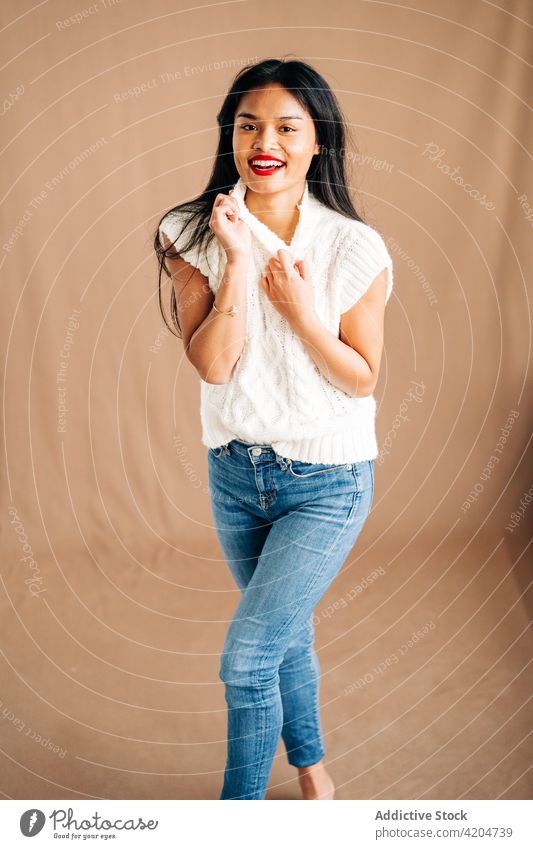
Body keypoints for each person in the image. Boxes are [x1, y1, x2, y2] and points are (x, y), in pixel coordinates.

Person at [154, 57, 394, 800]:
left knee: (248, 659)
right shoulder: (189, 230)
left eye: (287, 127)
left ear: (317, 142)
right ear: (230, 135)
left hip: (327, 481)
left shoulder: (354, 246)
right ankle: (313, 770)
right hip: (235, 474)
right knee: (283, 635)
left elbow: (361, 376)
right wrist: (234, 258)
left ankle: (239, 818)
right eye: (249, 124)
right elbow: (216, 367)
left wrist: (298, 312)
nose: (267, 140)